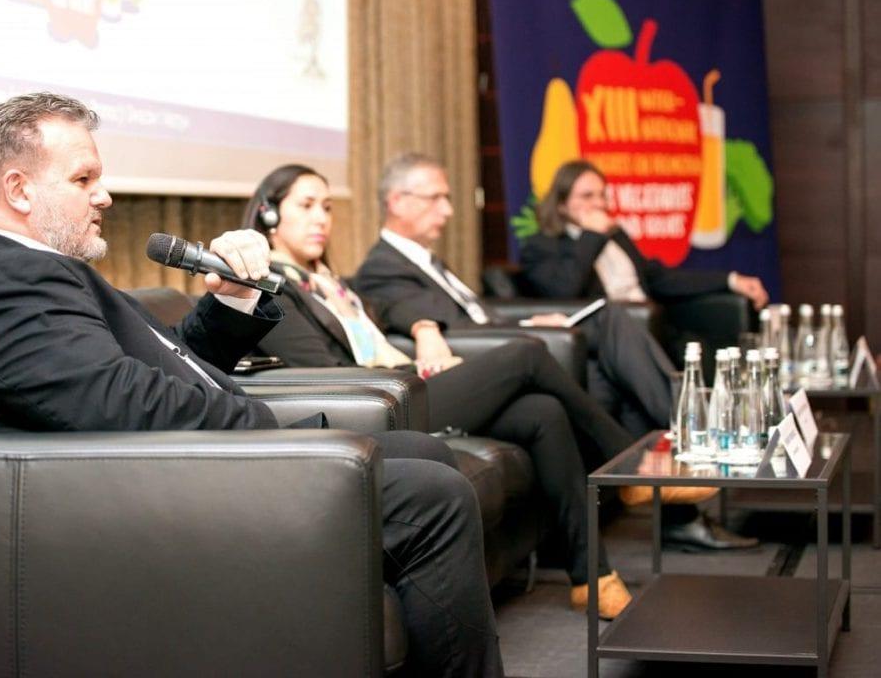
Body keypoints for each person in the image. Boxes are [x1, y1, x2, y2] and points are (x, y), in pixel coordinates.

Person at [0, 93, 502, 678]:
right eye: (84, 179)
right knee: (434, 496)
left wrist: (234, 298)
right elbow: (123, 406)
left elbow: (173, 361)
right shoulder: (1, 282)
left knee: (425, 452)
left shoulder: (40, 271)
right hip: (158, 497)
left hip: (189, 463)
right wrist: (272, 432)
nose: (105, 196)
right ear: (19, 190)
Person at [243, 164, 719, 619]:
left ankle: (591, 578)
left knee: (543, 411)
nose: (321, 219)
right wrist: (410, 371)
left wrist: (425, 326)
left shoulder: (329, 282)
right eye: (306, 206)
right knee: (527, 354)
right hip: (378, 409)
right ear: (269, 215)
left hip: (406, 386)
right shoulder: (271, 289)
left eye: (327, 207)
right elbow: (327, 375)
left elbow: (387, 307)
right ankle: (631, 466)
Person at [353, 153, 757, 552]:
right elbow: (432, 320)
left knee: (608, 355)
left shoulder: (428, 261)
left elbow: (476, 317)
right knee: (605, 331)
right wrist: (431, 328)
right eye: (436, 198)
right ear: (397, 202)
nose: (448, 210)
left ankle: (672, 489)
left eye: (447, 198)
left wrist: (530, 322)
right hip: (482, 366)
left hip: (512, 343)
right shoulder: (383, 266)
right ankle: (684, 433)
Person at [520, 158, 769, 310]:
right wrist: (591, 236)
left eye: (602, 195)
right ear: (562, 204)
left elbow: (658, 278)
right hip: (611, 331)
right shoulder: (542, 246)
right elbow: (564, 291)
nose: (599, 204)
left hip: (650, 317)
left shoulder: (615, 235)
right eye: (587, 196)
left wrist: (730, 280)